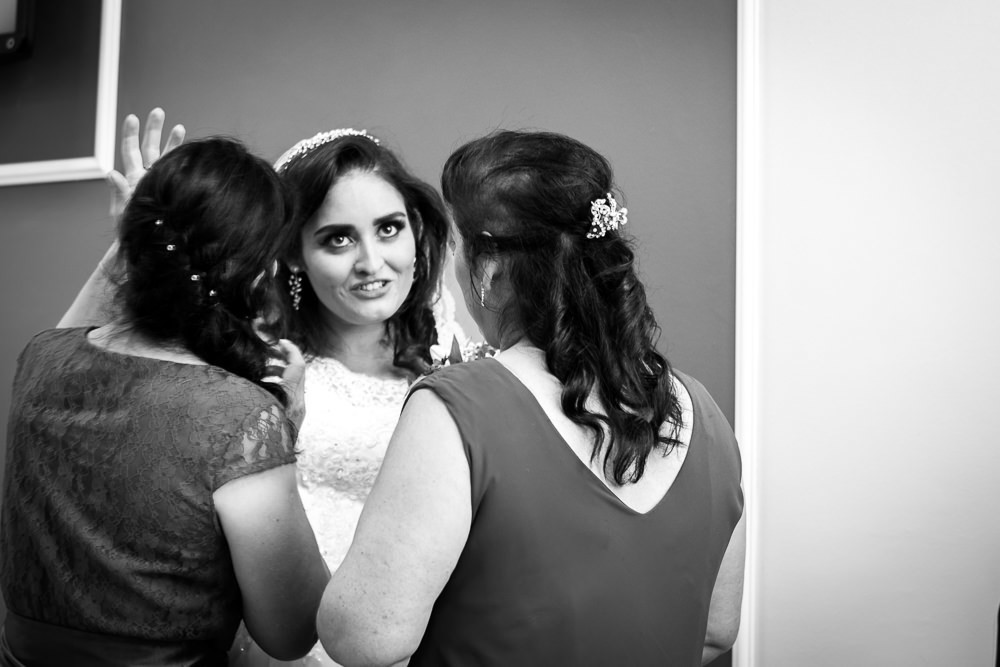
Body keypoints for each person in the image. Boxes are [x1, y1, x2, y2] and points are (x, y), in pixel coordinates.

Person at [317, 130, 746, 666]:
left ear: (489, 272)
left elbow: (363, 640)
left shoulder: (456, 408)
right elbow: (718, 628)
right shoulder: (699, 408)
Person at [0, 131, 329, 666]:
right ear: (259, 275)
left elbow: (92, 322)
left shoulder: (39, 359)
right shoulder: (242, 418)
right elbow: (291, 632)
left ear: (135, 244)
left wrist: (140, 229)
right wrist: (287, 427)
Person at [230, 129, 463, 667]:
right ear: (293, 252)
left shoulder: (453, 352)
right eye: (338, 239)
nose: (371, 262)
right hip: (292, 639)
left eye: (388, 229)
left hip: (420, 632)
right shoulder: (263, 361)